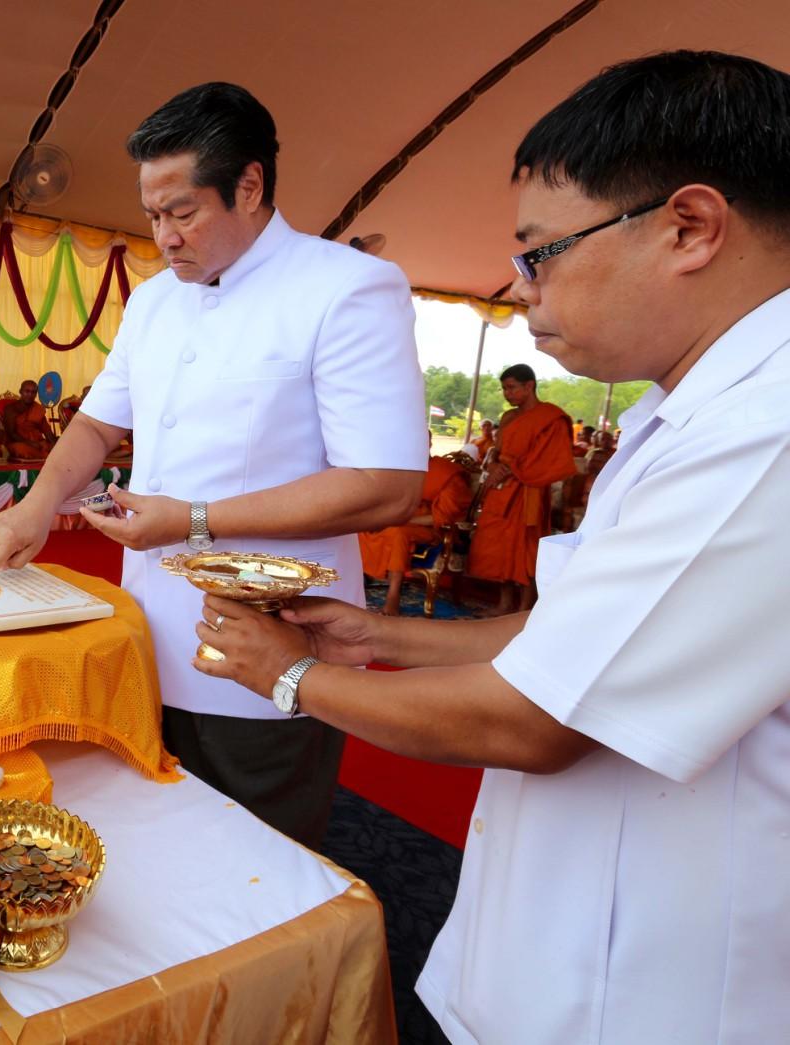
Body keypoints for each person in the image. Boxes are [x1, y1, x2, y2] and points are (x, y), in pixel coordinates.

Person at [195, 50, 790, 1043]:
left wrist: (290, 676)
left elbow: (534, 719)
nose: (520, 290)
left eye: (539, 253)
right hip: (564, 943)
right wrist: (373, 633)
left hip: (653, 996)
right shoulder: (689, 411)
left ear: (688, 227)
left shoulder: (766, 427)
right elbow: (575, 632)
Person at [0, 82, 426, 847]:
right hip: (144, 633)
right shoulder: (153, 302)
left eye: (181, 212)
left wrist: (192, 520)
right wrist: (35, 502)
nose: (163, 236)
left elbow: (383, 485)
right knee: (150, 835)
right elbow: (96, 422)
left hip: (267, 641)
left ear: (248, 187)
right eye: (152, 215)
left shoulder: (344, 289)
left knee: (259, 853)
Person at [467, 363, 576, 613]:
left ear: (529, 386)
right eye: (504, 389)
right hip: (502, 489)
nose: (507, 394)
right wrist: (494, 464)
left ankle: (525, 607)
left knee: (527, 548)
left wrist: (512, 468)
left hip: (530, 491)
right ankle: (504, 603)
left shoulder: (550, 418)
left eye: (512, 388)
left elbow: (551, 460)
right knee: (502, 547)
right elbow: (496, 452)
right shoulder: (508, 417)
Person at [359, 447, 472, 615]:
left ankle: (393, 595)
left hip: (431, 530)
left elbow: (443, 517)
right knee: (361, 527)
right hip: (400, 521)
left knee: (398, 533)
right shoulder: (404, 470)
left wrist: (404, 520)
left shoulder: (447, 474)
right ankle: (356, 582)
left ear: (428, 443)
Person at [0, 379, 56, 459]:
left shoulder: (38, 409)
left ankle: (46, 455)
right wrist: (30, 443)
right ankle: (45, 456)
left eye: (33, 392)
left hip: (38, 443)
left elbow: (47, 431)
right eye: (27, 391)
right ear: (20, 391)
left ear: (36, 394)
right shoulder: (11, 409)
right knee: (20, 449)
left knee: (54, 447)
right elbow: (11, 434)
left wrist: (56, 445)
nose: (30, 395)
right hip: (18, 443)